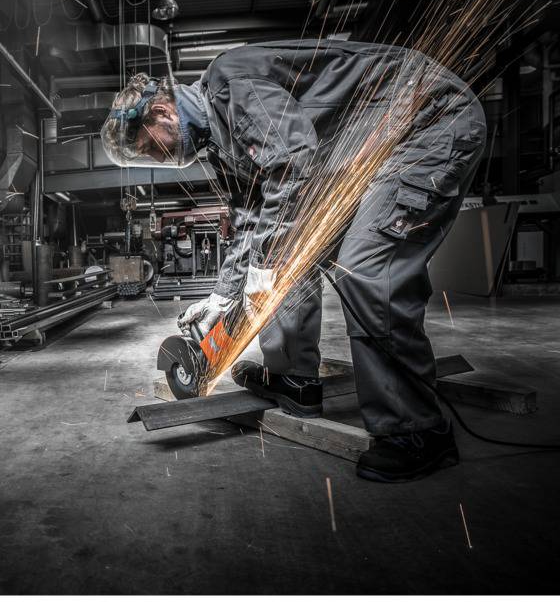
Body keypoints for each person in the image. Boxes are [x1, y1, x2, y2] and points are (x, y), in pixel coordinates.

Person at [100, 40, 487, 482]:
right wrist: (222, 296)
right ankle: (294, 379)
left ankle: (417, 430)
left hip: (425, 120)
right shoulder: (220, 143)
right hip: (373, 147)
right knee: (288, 258)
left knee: (366, 267)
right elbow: (252, 219)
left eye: (152, 149)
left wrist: (262, 267)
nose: (159, 160)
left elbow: (293, 165)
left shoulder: (229, 82)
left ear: (164, 114)